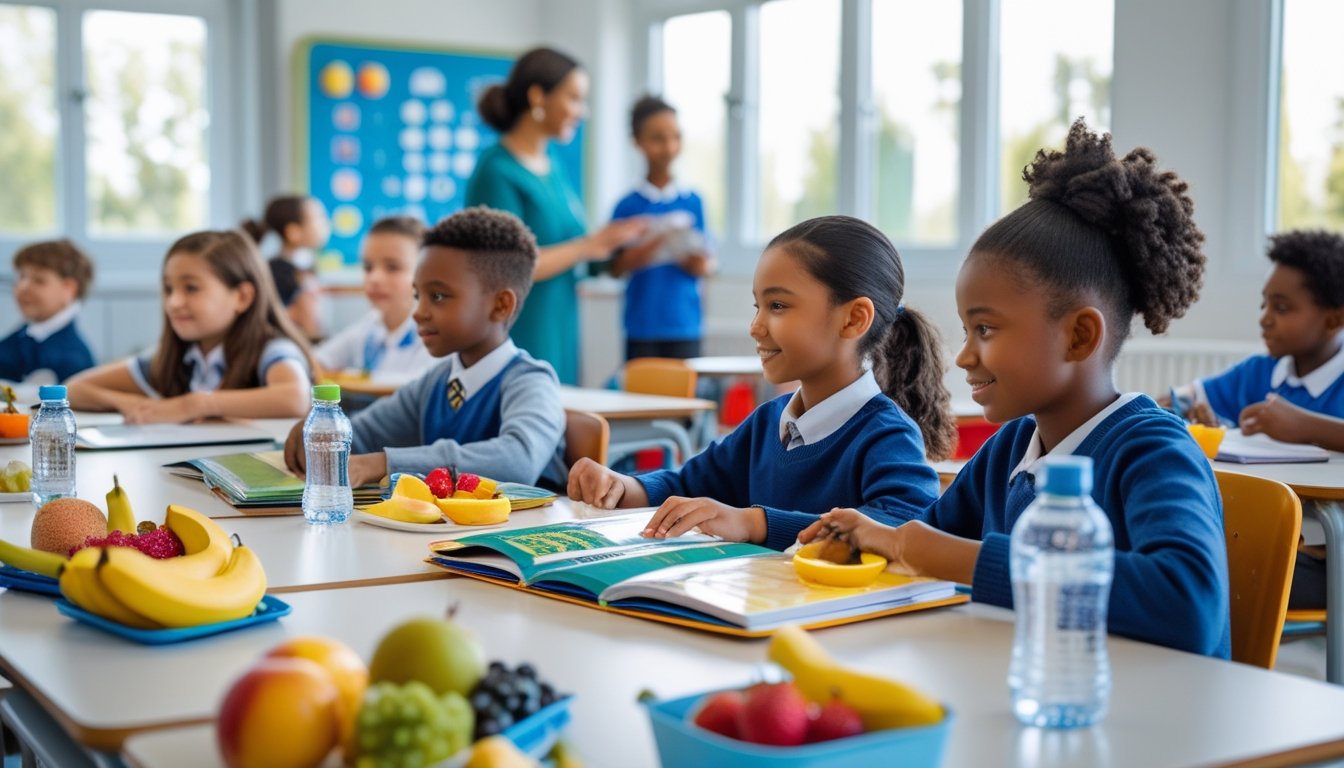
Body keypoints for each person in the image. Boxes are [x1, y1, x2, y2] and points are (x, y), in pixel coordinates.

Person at [800, 120, 1231, 658]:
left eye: (986, 329)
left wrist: (935, 553)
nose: (963, 355)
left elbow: (1186, 605)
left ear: (1079, 336)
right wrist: (815, 529)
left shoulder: (1153, 450)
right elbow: (913, 539)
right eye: (965, 329)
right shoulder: (1009, 450)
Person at [568, 215, 955, 551]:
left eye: (778, 306)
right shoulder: (768, 423)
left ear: (854, 319)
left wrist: (755, 524)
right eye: (758, 306)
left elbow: (905, 527)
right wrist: (622, 487)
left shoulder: (886, 434)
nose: (755, 327)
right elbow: (687, 482)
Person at [283, 207, 567, 490]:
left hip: (523, 532)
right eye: (419, 295)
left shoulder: (531, 381)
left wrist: (383, 463)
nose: (419, 312)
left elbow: (516, 461)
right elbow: (365, 434)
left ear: (501, 305)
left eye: (439, 296)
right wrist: (322, 434)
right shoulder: (436, 382)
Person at [465, 46, 647, 384]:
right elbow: (505, 266)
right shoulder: (496, 172)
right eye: (575, 98)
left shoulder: (554, 170)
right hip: (518, 335)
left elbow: (577, 252)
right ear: (538, 96)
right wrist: (588, 246)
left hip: (560, 331)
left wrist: (625, 252)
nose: (583, 111)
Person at [65, 230, 314, 423]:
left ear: (242, 297)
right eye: (168, 289)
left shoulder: (271, 348)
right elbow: (74, 389)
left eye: (191, 288)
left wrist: (194, 404)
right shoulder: (176, 357)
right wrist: (130, 404)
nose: (173, 302)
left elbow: (295, 397)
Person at [1166, 230, 1344, 440]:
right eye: (1264, 304)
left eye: (1281, 308)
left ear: (1333, 321)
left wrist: (1306, 427)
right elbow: (1189, 394)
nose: (1264, 319)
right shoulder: (1259, 371)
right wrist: (1186, 406)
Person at [609, 95, 716, 361]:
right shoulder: (626, 206)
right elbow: (614, 267)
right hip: (641, 327)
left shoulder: (694, 201)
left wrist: (699, 264)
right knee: (640, 401)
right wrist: (654, 245)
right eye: (658, 138)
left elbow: (708, 264)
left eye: (676, 137)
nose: (669, 147)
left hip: (685, 325)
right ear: (637, 142)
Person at [314, 216, 435, 382]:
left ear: (426, 273)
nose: (375, 278)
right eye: (368, 267)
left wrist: (355, 377)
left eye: (392, 267)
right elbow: (315, 361)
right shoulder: (370, 327)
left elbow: (418, 387)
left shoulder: (433, 335)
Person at [0, 239, 95, 383]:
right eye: (21, 277)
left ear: (68, 289)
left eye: (39, 280)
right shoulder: (22, 337)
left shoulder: (74, 357)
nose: (23, 287)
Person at [241, 194, 331, 341]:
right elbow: (310, 326)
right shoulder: (283, 273)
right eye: (319, 218)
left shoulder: (299, 268)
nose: (326, 223)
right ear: (293, 232)